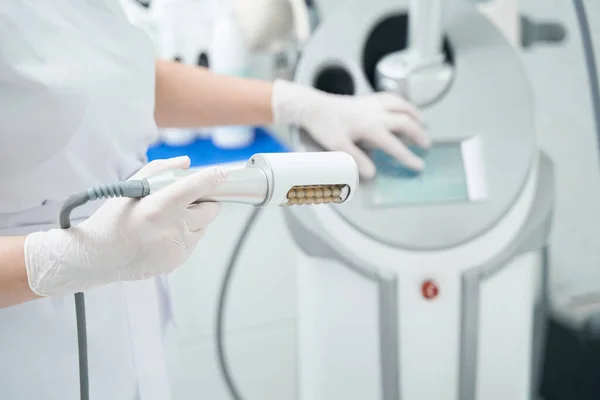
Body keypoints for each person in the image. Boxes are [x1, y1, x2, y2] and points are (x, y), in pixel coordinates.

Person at [0, 1, 430, 399]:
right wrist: (66, 258)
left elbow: (121, 79)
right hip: (30, 340)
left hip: (127, 322)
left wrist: (293, 103)